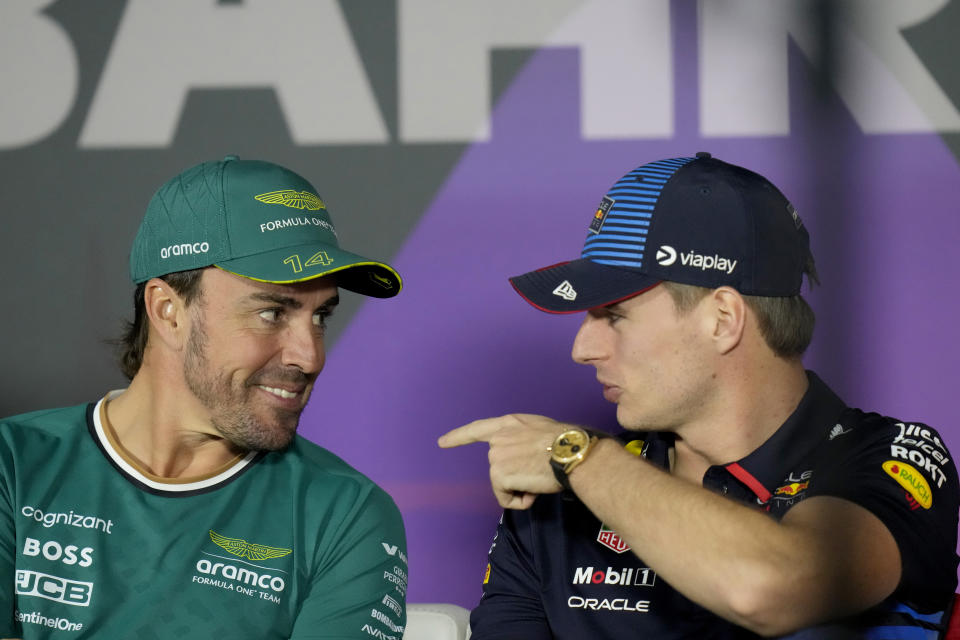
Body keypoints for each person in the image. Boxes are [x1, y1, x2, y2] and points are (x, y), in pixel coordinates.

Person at [439, 153, 959, 639]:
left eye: (614, 316)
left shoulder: (889, 455)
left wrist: (579, 459)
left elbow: (771, 585)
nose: (582, 348)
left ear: (723, 320)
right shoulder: (559, 500)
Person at [0, 157, 409, 639]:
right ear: (168, 311)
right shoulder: (14, 465)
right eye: (273, 312)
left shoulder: (344, 514)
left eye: (321, 317)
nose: (310, 355)